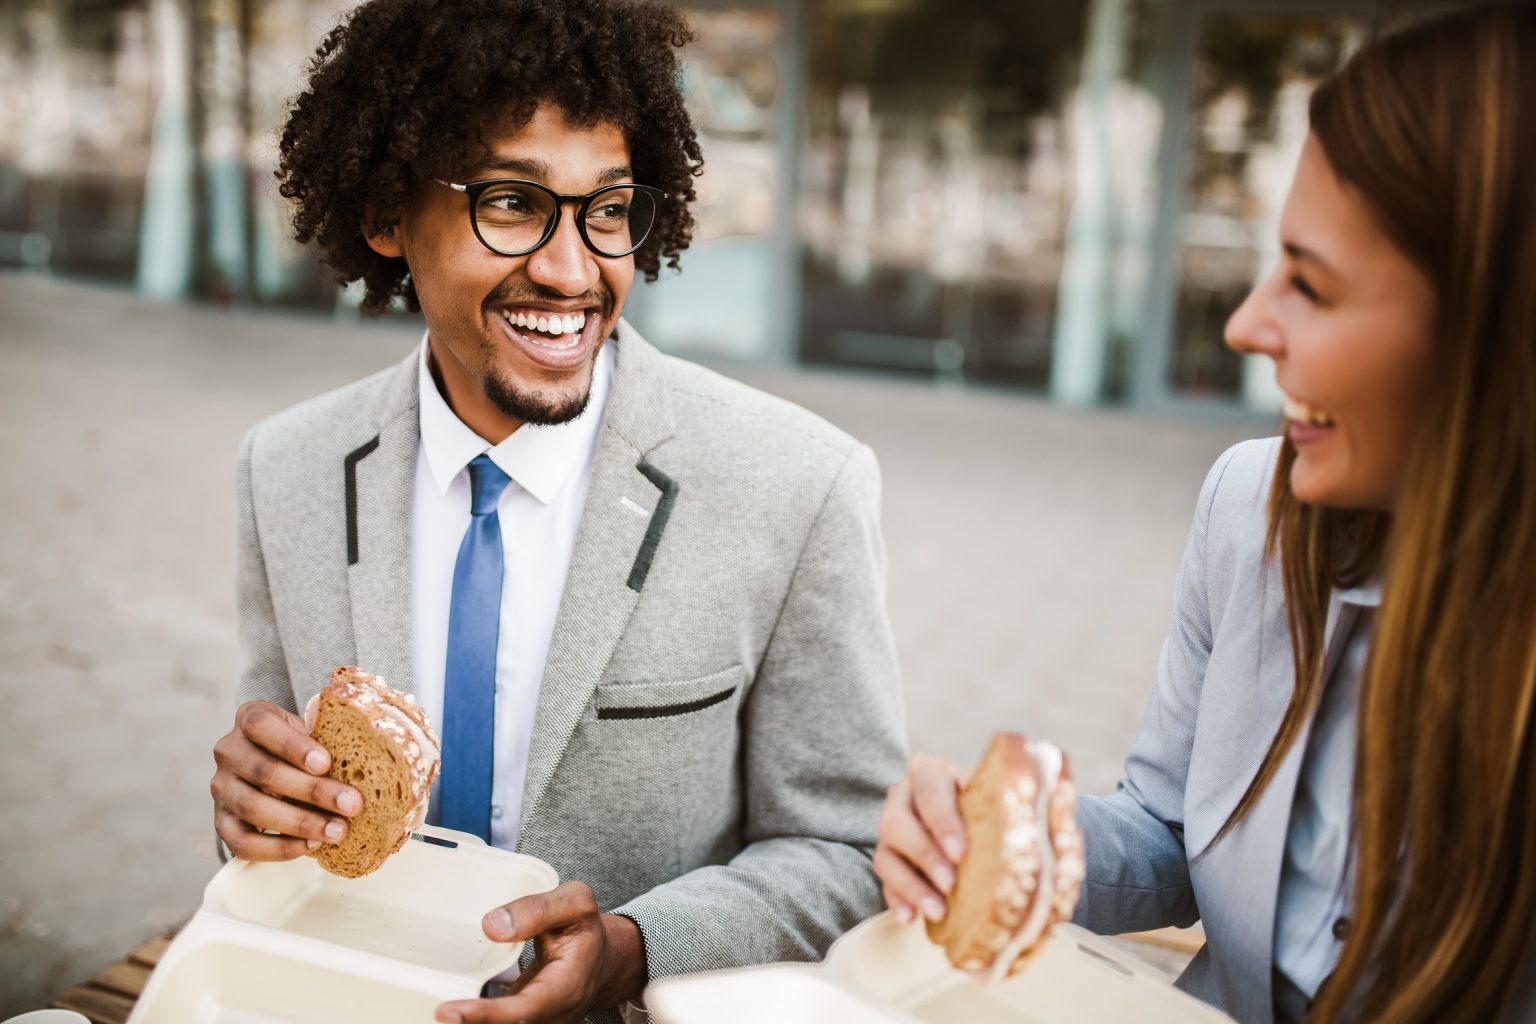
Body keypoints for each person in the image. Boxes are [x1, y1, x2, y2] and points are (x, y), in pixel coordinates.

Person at [206, 2, 908, 1022]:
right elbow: (276, 828)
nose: (573, 271)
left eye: (608, 209)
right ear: (387, 213)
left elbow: (852, 852)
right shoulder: (285, 468)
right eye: (510, 202)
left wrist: (635, 951)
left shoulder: (800, 483)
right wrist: (253, 811)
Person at [874, 6, 1536, 1023]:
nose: (1245, 324)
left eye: (1311, 284)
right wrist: (998, 845)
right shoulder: (1250, 510)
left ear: (1496, 334)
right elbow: (1172, 833)